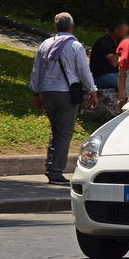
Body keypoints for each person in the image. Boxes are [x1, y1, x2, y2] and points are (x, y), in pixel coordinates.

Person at [29, 12, 98, 185]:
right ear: (72, 27)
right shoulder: (75, 46)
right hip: (66, 93)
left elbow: (37, 70)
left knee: (56, 130)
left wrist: (36, 93)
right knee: (64, 133)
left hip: (47, 93)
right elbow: (83, 69)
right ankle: (56, 173)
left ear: (55, 27)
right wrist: (92, 90)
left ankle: (51, 167)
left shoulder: (45, 44)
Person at [89, 20, 129, 89]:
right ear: (116, 31)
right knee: (125, 86)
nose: (126, 34)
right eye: (124, 32)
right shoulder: (105, 42)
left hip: (115, 74)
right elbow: (113, 62)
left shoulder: (118, 42)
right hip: (101, 76)